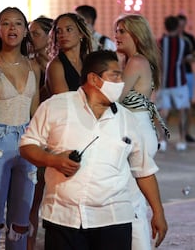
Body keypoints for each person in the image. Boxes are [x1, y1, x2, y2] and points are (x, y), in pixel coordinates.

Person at [20, 50, 167, 249]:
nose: (121, 82)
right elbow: (27, 145)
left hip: (114, 219)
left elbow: (144, 171)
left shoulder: (127, 119)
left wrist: (158, 213)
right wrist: (53, 160)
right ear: (94, 79)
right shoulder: (55, 107)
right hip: (63, 218)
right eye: (115, 75)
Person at [0, 6, 41, 250]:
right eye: (6, 23)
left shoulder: (34, 67)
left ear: (25, 31)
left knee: (21, 220)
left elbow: (35, 112)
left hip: (26, 140)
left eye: (18, 24)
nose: (12, 28)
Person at [115, 14, 170, 250]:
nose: (116, 36)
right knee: (132, 199)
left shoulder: (136, 62)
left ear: (136, 34)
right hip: (142, 129)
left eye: (122, 32)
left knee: (133, 201)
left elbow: (113, 98)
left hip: (136, 130)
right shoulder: (141, 60)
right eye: (116, 31)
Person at [26, 15, 52, 250]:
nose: (30, 37)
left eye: (35, 33)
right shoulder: (29, 64)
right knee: (31, 201)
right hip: (36, 133)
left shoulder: (62, 64)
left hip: (59, 135)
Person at [157, 15, 193, 151]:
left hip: (164, 82)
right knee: (182, 111)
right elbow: (187, 59)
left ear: (165, 26)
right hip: (179, 82)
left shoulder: (160, 42)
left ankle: (163, 140)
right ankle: (182, 140)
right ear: (177, 27)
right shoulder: (183, 43)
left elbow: (158, 60)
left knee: (163, 111)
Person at [45, 13, 93, 96]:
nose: (63, 35)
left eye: (69, 29)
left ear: (81, 34)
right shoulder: (56, 65)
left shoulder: (88, 61)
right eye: (58, 31)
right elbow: (64, 101)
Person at [177, 14, 195, 143]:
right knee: (169, 106)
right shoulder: (168, 39)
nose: (181, 27)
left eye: (183, 25)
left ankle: (186, 133)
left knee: (187, 105)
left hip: (187, 74)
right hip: (173, 76)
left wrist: (187, 59)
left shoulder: (189, 38)